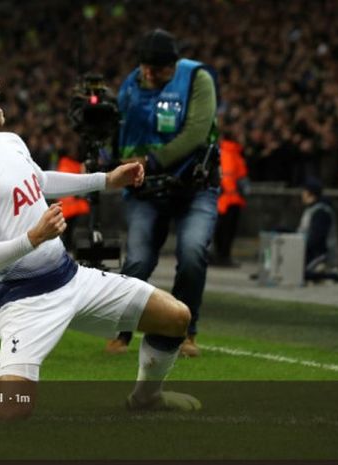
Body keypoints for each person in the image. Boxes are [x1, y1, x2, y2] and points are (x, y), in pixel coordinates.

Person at [0, 57, 201, 421]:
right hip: (24, 299)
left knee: (176, 317)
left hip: (71, 277)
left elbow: (39, 179)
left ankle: (147, 398)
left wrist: (105, 181)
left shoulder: (9, 141)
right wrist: (34, 237)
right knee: (10, 411)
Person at [107, 28, 220, 357]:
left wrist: (150, 161)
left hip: (194, 186)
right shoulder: (130, 86)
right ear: (145, 68)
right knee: (138, 261)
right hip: (147, 190)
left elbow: (197, 132)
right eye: (156, 69)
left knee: (192, 253)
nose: (161, 75)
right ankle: (123, 332)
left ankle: (186, 332)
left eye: (168, 68)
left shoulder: (197, 79)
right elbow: (118, 133)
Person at [298, 177, 338, 284]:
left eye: (304, 191)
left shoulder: (322, 212)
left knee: (298, 273)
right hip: (308, 250)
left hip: (321, 254)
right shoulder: (311, 209)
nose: (302, 194)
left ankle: (332, 275)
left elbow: (316, 240)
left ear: (310, 193)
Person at [212, 135, 249, 267]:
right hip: (232, 200)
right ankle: (223, 257)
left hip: (222, 199)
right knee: (227, 232)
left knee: (219, 231)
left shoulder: (221, 152)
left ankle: (218, 256)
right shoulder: (234, 154)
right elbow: (240, 178)